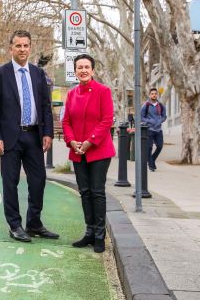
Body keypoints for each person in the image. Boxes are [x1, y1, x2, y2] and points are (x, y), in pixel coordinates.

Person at [0, 30, 57, 243]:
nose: (23, 49)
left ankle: (34, 223)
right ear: (11, 48)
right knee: (11, 182)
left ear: (30, 47)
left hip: (34, 136)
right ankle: (15, 225)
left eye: (26, 45)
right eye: (18, 46)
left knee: (39, 181)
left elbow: (45, 105)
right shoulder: (0, 74)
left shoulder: (38, 74)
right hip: (9, 138)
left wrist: (48, 132)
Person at [62, 54, 116, 253]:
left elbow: (107, 120)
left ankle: (100, 236)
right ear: (75, 71)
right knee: (84, 192)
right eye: (79, 67)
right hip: (78, 151)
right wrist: (71, 141)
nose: (83, 70)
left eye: (86, 67)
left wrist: (89, 142)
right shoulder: (71, 94)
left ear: (93, 70)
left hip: (99, 151)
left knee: (97, 192)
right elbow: (66, 121)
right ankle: (90, 232)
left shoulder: (103, 91)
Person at [141, 88, 166, 172]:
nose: (154, 95)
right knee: (149, 147)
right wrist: (150, 121)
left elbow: (164, 116)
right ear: (149, 95)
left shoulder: (161, 105)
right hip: (149, 129)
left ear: (157, 95)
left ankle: (152, 159)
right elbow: (141, 117)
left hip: (158, 129)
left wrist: (160, 121)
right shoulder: (146, 105)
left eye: (155, 93)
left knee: (160, 146)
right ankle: (151, 164)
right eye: (152, 93)